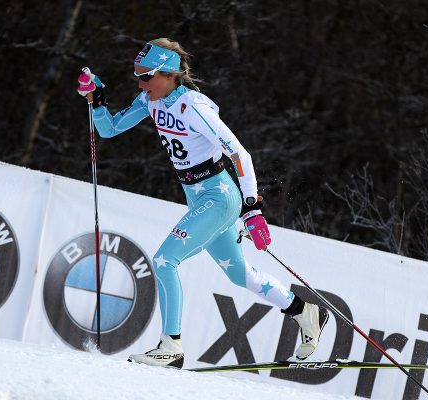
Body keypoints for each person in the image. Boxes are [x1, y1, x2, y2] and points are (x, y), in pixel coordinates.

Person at [77, 38, 328, 369]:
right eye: (137, 75)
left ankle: (171, 346)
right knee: (241, 275)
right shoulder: (150, 100)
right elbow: (109, 130)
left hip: (219, 197)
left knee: (165, 260)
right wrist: (97, 99)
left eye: (147, 76)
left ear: (169, 74)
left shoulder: (194, 108)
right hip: (199, 197)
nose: (140, 83)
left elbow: (240, 154)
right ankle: (305, 312)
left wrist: (252, 209)